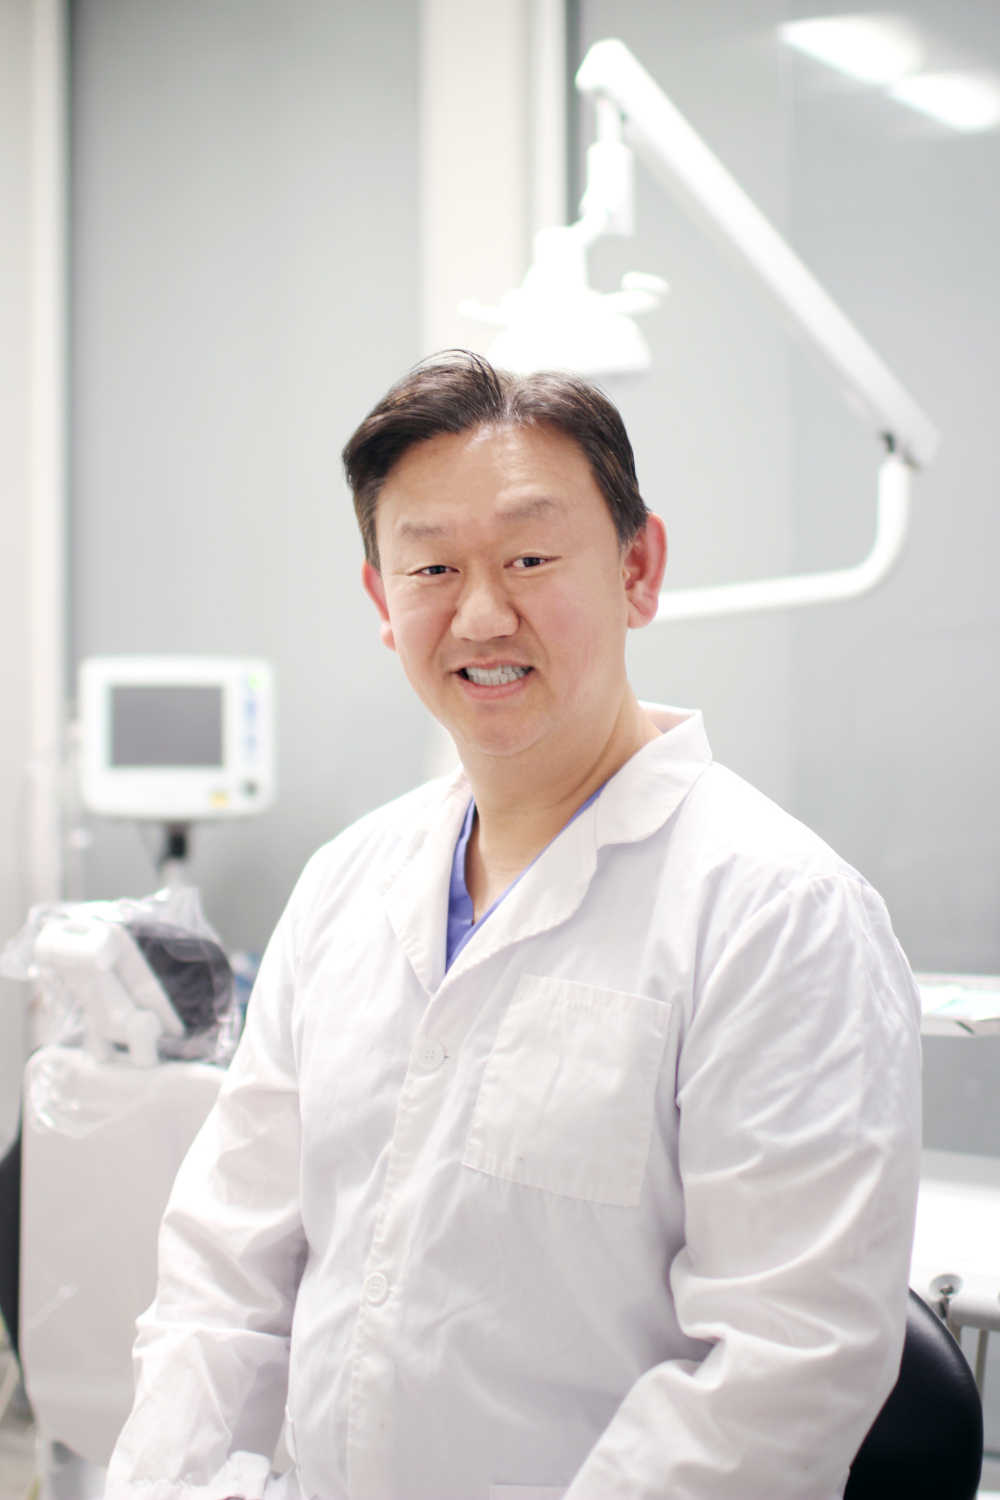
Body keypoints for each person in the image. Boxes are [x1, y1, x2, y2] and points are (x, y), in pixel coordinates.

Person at [106, 353, 921, 1500]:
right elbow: (224, 1274)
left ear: (639, 571)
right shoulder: (345, 885)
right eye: (431, 566)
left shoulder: (775, 913)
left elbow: (783, 1371)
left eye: (531, 558)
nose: (482, 613)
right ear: (384, 605)